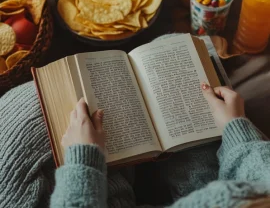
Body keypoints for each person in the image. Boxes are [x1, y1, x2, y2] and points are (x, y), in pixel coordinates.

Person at [50, 83, 270, 208]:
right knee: (174, 42)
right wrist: (236, 127)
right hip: (224, 191)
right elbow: (264, 177)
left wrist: (82, 161)